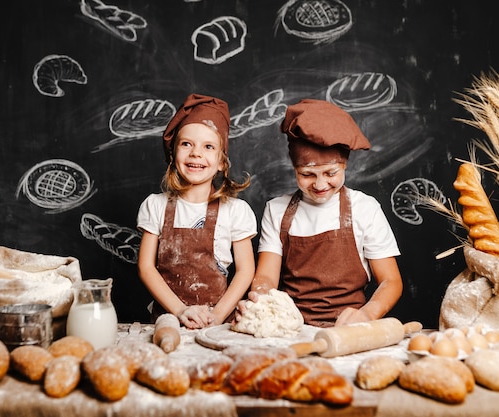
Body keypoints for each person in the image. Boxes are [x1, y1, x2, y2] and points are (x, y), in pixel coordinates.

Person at [239, 99, 403, 328]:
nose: (320, 184)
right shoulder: (276, 210)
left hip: (348, 328)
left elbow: (391, 281)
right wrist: (259, 299)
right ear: (294, 168)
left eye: (330, 173)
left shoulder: (365, 209)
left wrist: (366, 315)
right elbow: (266, 278)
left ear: (345, 165)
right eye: (307, 174)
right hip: (291, 327)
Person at [137, 93, 257, 329]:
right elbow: (146, 267)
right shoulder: (155, 206)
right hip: (168, 321)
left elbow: (246, 271)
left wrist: (218, 316)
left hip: (218, 323)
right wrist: (180, 310)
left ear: (222, 161)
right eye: (186, 144)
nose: (196, 153)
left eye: (209, 146)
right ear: (173, 155)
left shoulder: (235, 211)